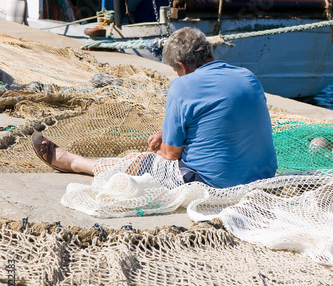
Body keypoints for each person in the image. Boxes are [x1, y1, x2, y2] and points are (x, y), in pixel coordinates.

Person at [32, 27, 277, 188]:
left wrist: (162, 146)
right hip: (261, 175)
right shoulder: (247, 77)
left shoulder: (183, 86)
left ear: (181, 66)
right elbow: (222, 122)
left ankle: (72, 162)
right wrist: (170, 137)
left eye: (175, 71)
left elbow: (171, 155)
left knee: (137, 161)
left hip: (215, 182)